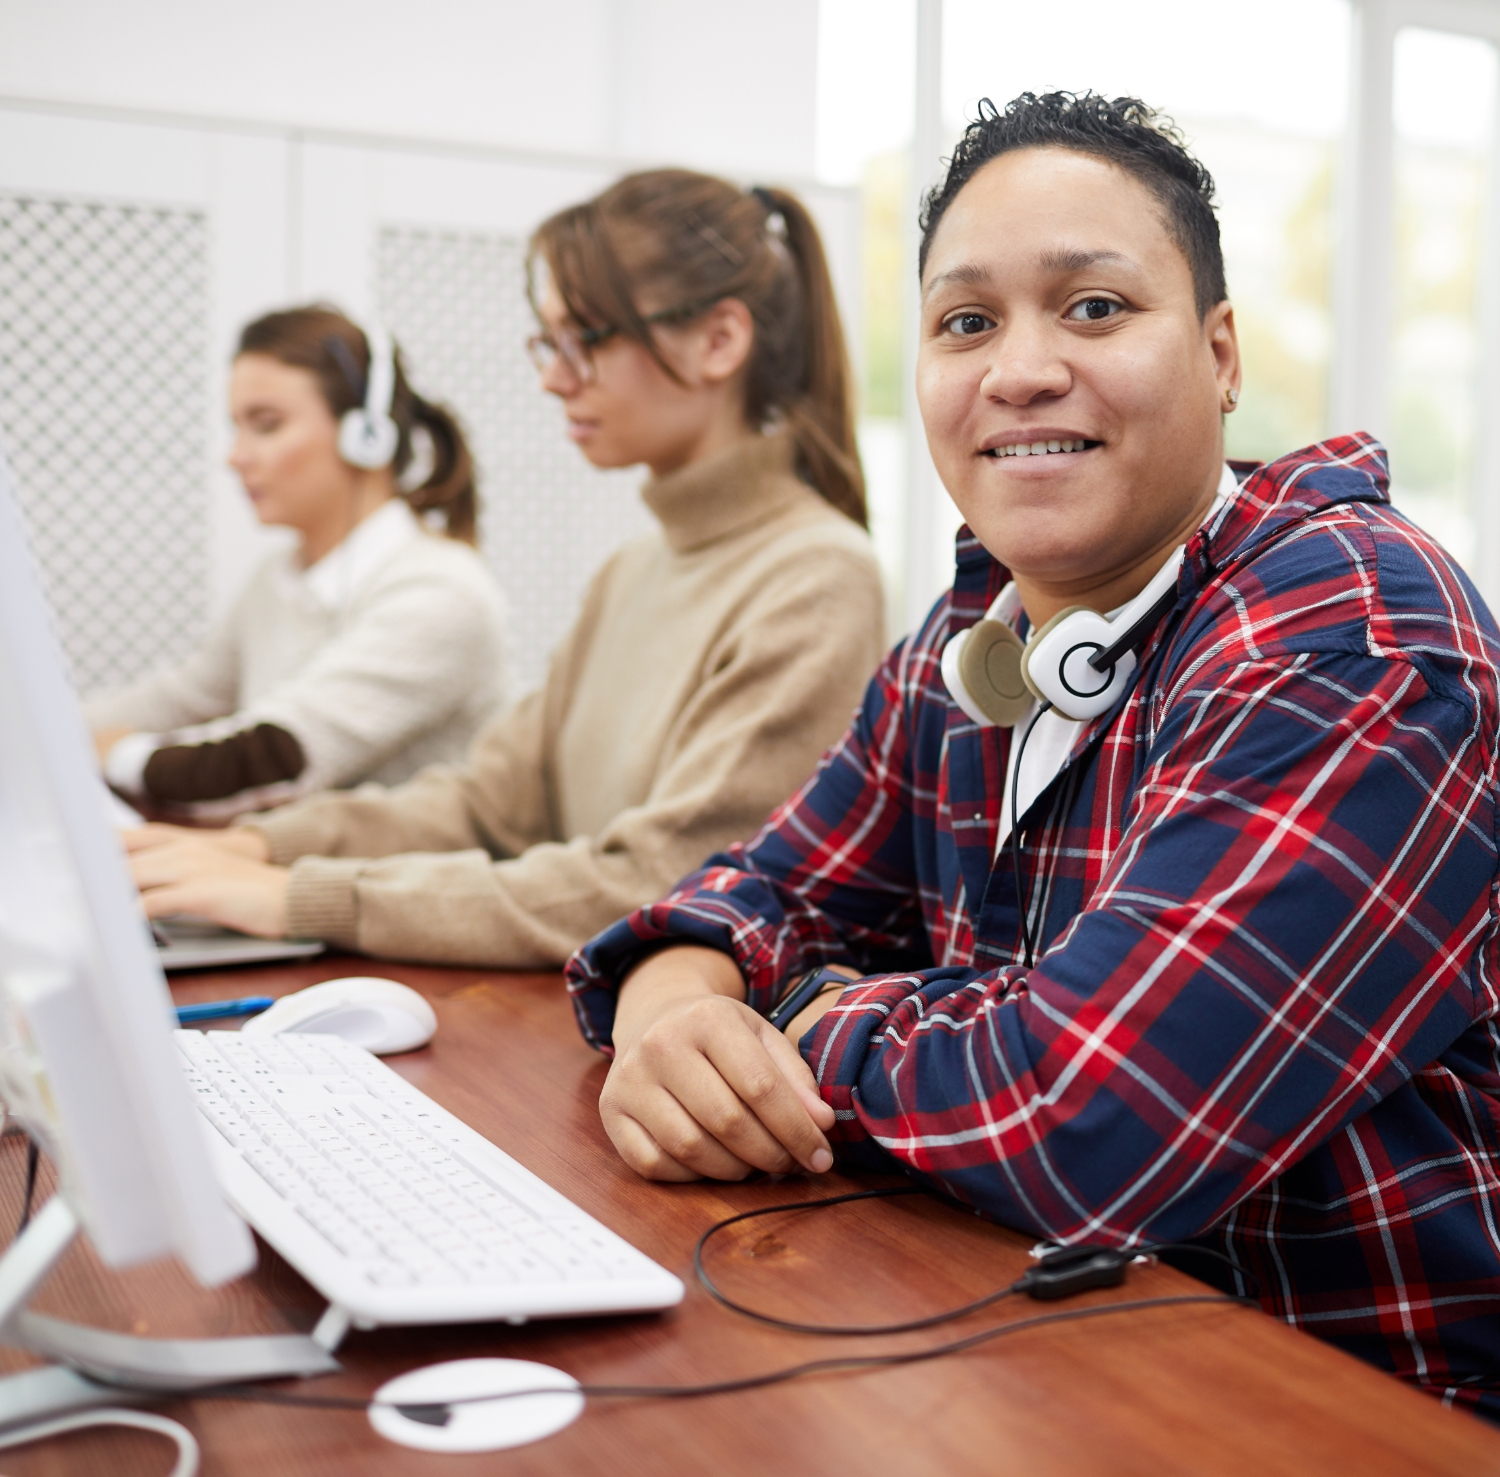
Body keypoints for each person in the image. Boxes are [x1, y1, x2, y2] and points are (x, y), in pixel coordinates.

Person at [567, 94, 1500, 1419]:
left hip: (1354, 1402)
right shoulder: (979, 635)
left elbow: (1093, 1114)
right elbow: (758, 889)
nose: (1018, 371)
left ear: (1222, 354)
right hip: (1045, 1341)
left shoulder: (1352, 626)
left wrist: (796, 1021)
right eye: (966, 322)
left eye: (1096, 308)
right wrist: (674, 1009)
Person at [123, 169, 885, 969]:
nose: (553, 377)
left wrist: (304, 896)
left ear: (720, 341)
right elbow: (488, 803)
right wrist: (257, 847)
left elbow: (662, 882)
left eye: (584, 340)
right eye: (546, 342)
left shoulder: (817, 576)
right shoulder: (632, 569)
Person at [89, 306, 507, 815]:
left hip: (384, 888)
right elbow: (179, 700)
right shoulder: (278, 579)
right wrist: (44, 730)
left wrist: (113, 755)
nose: (234, 455)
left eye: (265, 425)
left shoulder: (441, 592)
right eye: (236, 427)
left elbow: (271, 758)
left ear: (365, 436)